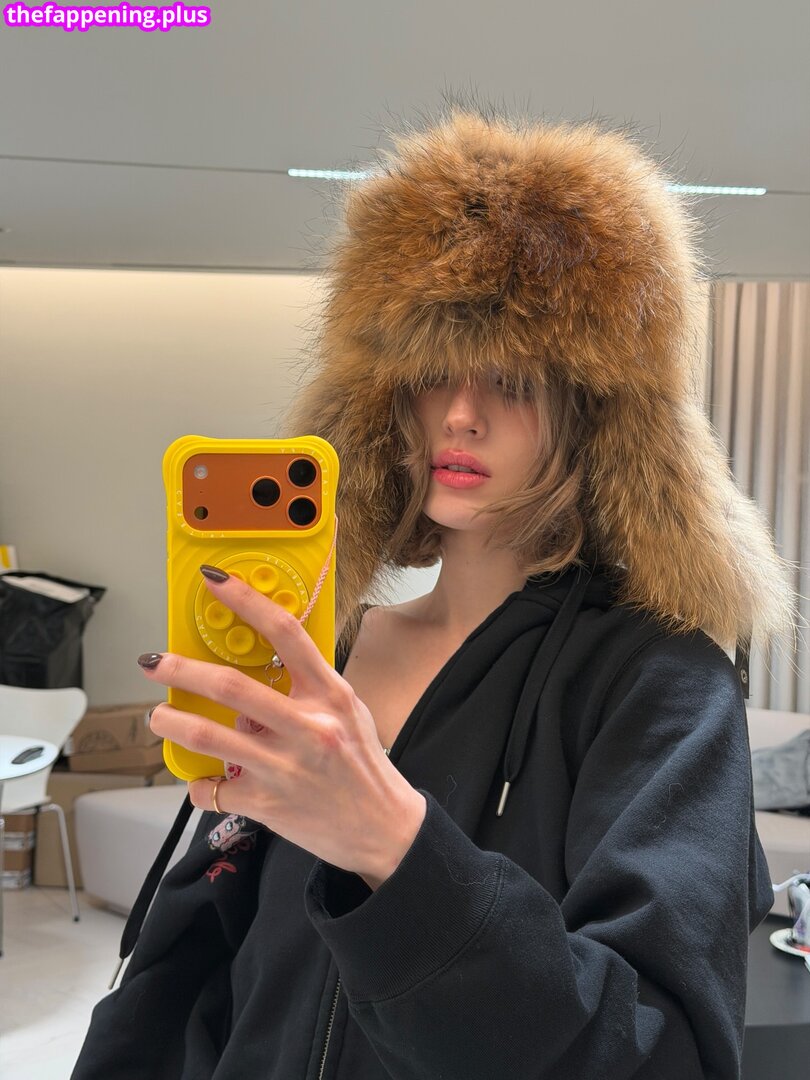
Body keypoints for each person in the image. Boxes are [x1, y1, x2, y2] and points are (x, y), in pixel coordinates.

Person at [72, 104, 799, 1080]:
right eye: (432, 372)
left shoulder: (661, 685)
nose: (461, 413)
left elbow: (660, 1052)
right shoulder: (328, 650)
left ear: (597, 410)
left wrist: (391, 843)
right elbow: (200, 969)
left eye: (513, 378)